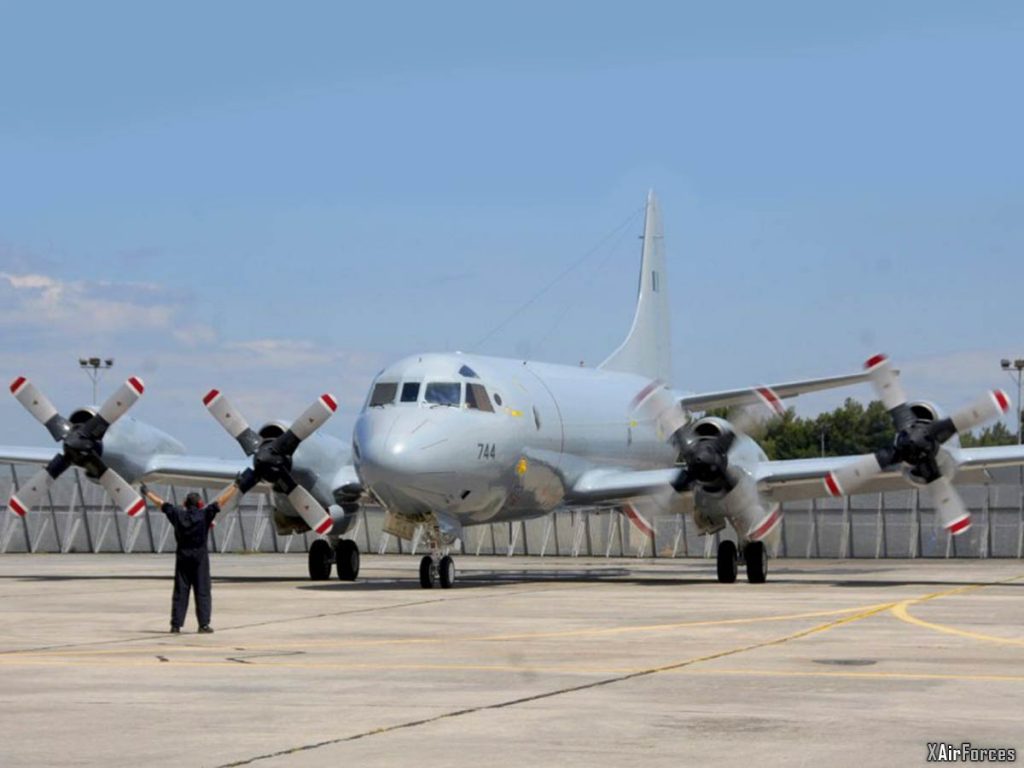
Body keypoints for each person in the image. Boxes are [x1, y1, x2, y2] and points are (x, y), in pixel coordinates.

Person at [140, 483, 239, 634]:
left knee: (181, 591)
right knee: (203, 591)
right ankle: (203, 625)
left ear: (185, 503)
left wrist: (147, 493)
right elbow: (221, 501)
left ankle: (176, 625)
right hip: (200, 558)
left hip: (182, 558)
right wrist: (235, 486)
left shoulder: (178, 514)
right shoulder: (205, 514)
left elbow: (161, 504)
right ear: (200, 504)